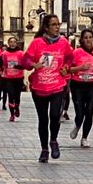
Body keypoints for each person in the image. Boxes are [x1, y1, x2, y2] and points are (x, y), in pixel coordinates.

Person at [21, 14, 76, 164]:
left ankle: (53, 140)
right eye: (54, 24)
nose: (57, 27)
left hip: (57, 85)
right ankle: (44, 149)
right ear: (46, 27)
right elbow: (25, 61)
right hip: (39, 87)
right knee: (43, 119)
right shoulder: (37, 43)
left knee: (54, 115)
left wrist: (65, 67)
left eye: (58, 24)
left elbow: (70, 57)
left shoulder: (63, 42)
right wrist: (33, 65)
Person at [67, 32, 93, 146]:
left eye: (90, 37)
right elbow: (68, 69)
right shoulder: (76, 53)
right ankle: (77, 125)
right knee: (80, 112)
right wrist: (81, 68)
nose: (88, 40)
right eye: (85, 38)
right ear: (82, 40)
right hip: (78, 85)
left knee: (89, 111)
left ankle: (84, 138)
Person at [0, 31, 26, 121]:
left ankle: (17, 107)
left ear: (16, 43)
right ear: (8, 43)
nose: (12, 44)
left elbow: (25, 65)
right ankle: (12, 115)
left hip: (18, 77)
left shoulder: (21, 53)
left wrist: (19, 66)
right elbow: (3, 64)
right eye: (11, 42)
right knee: (10, 95)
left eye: (14, 42)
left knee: (17, 96)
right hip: (8, 77)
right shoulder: (4, 54)